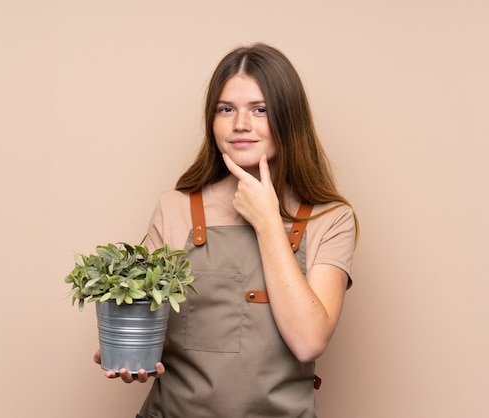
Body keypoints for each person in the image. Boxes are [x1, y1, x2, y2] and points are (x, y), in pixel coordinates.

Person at [94, 42, 358, 418]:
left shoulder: (329, 218)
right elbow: (140, 317)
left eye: (260, 110)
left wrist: (268, 222)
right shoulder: (175, 207)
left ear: (289, 118)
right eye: (226, 109)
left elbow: (308, 341)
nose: (240, 125)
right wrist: (127, 349)